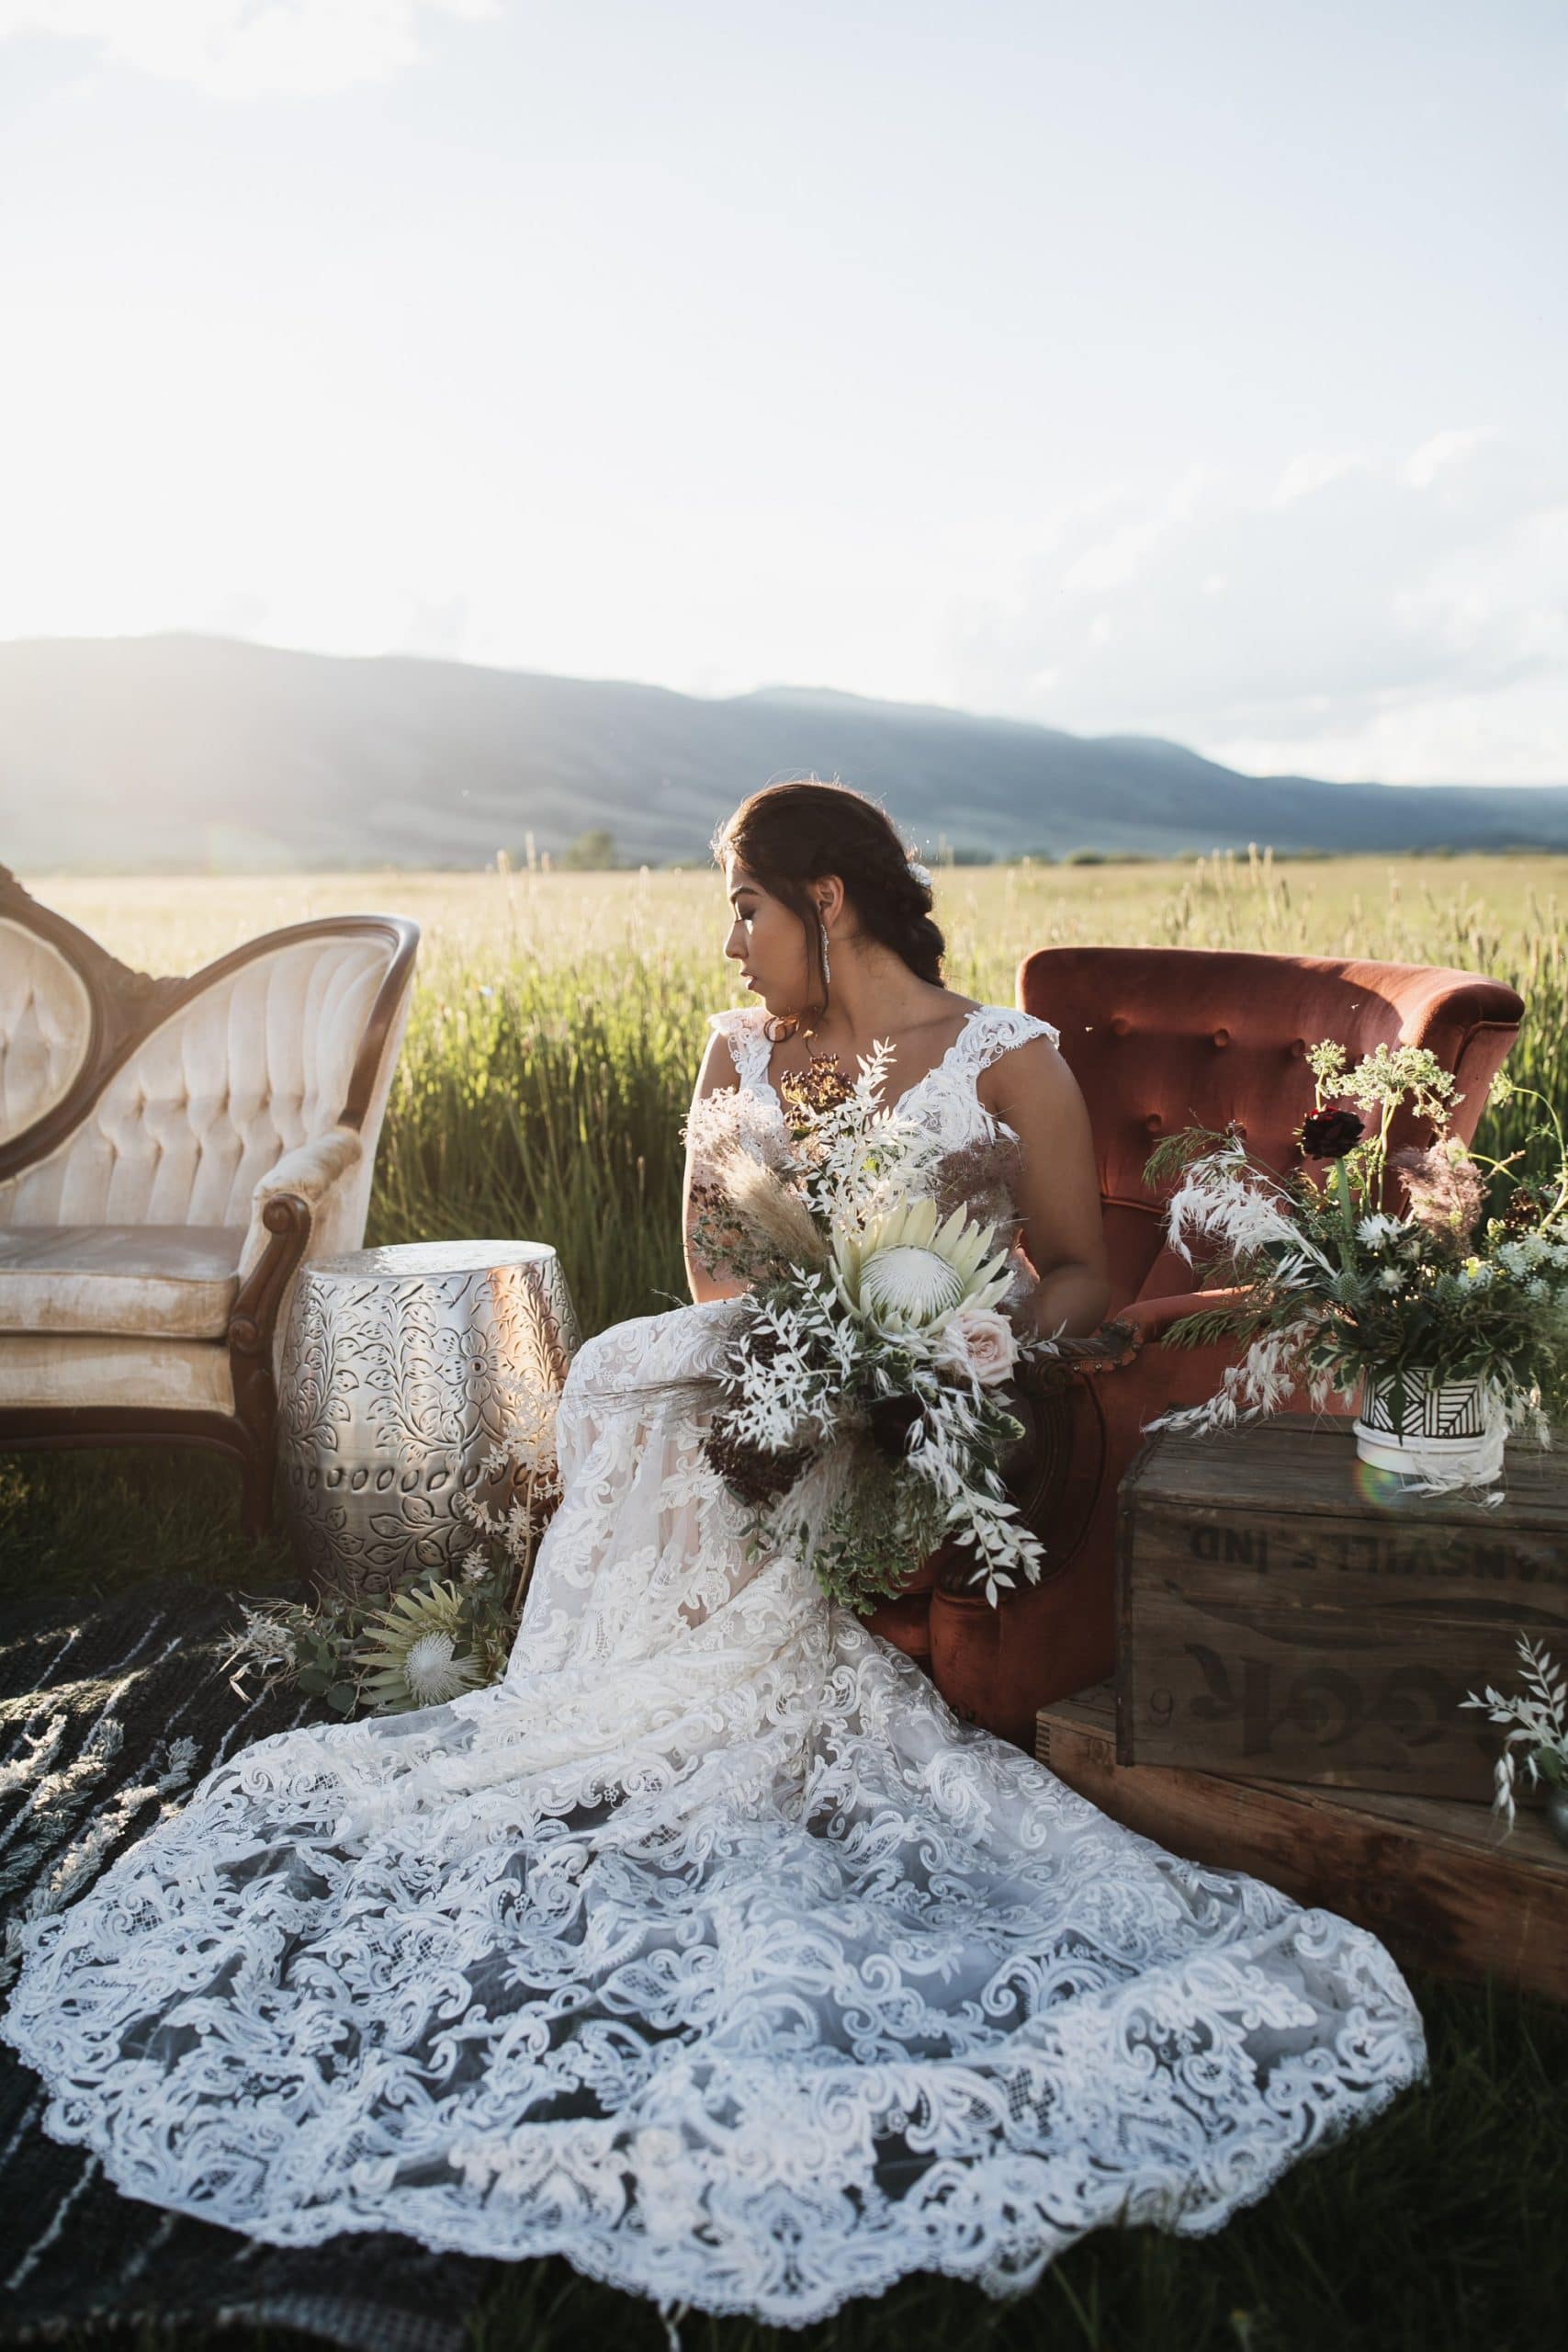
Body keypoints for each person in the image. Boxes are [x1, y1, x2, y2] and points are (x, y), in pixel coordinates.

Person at [3, 780, 1427, 2330]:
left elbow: (1079, 1270)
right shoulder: (738, 1049)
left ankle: (714, 1670)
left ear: (826, 903)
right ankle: (599, 1688)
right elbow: (708, 1254)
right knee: (620, 1365)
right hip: (771, 1351)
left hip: (924, 1378)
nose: (730, 944)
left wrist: (954, 1348)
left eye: (746, 910)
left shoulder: (1011, 1062)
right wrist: (793, 1335)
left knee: (719, 1414)